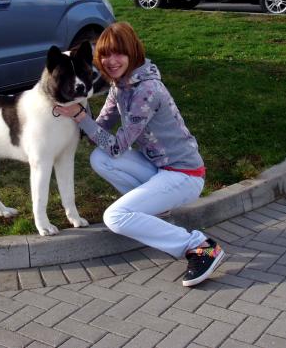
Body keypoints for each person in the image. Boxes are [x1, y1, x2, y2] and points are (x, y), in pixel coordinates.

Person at [54, 22, 224, 287]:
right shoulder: (120, 86)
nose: (111, 61)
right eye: (105, 55)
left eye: (118, 53)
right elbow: (99, 130)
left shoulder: (147, 91)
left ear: (133, 52)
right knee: (99, 159)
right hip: (159, 168)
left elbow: (116, 146)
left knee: (115, 217)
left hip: (185, 174)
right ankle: (153, 211)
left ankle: (200, 246)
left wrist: (79, 116)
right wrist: (75, 112)